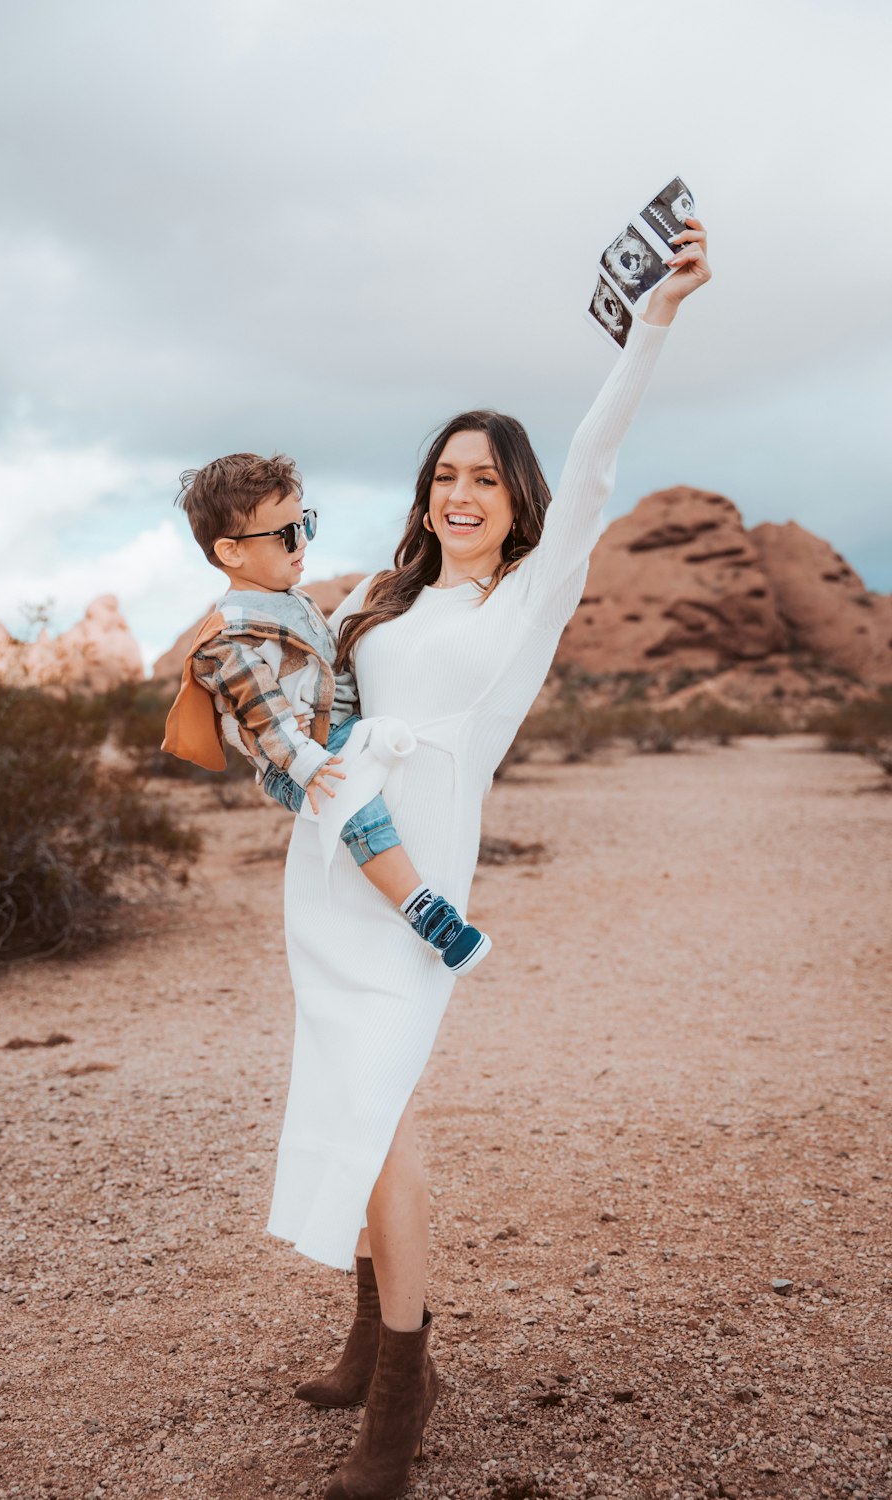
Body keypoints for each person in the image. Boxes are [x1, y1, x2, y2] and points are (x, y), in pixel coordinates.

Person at [267, 217, 712, 1500]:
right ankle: (369, 1336)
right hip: (333, 875)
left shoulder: (528, 596)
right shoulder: (374, 601)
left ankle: (401, 1397)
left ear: (518, 500)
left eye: (486, 477)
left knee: (385, 1112)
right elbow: (310, 708)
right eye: (442, 475)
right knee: (353, 1108)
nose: (459, 492)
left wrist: (654, 321)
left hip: (419, 896)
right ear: (423, 494)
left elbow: (595, 455)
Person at [161, 453, 492, 975]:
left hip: (343, 730)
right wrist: (311, 767)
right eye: (286, 535)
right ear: (230, 552)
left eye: (305, 524)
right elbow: (266, 718)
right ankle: (426, 912)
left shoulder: (292, 600)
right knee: (359, 807)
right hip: (299, 757)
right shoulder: (230, 637)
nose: (304, 543)